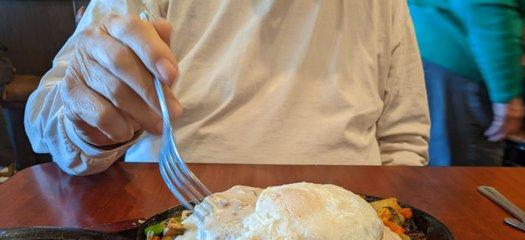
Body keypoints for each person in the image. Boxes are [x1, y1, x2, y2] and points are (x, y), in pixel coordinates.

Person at [25, 1, 430, 176]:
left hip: (351, 224)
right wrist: (89, 125)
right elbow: (42, 115)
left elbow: (404, 139)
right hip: (171, 218)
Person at [408, 0, 525, 166]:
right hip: (459, 58)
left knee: (443, 164)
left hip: (435, 47)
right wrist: (507, 94)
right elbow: (487, 9)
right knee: (461, 174)